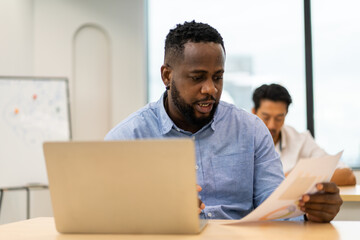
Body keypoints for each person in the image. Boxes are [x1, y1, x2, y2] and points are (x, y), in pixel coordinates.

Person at [105, 21, 342, 222]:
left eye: (218, 77)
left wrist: (310, 211)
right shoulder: (127, 138)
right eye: (197, 78)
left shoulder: (251, 130)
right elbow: (106, 217)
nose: (211, 89)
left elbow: (277, 208)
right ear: (167, 75)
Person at [252, 83, 356, 186]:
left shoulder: (299, 140)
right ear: (253, 112)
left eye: (279, 118)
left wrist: (293, 179)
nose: (272, 125)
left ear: (286, 115)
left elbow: (347, 176)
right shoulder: (241, 139)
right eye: (265, 118)